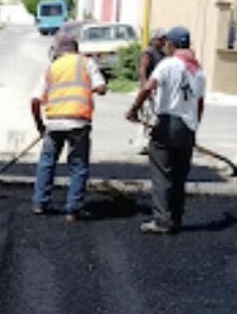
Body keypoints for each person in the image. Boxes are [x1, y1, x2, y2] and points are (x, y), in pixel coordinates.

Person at [126, 26, 206, 234]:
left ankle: (162, 220)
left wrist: (133, 110)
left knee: (162, 172)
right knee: (180, 176)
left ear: (171, 44)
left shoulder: (168, 64)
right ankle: (176, 219)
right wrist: (194, 128)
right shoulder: (198, 70)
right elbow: (199, 104)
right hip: (187, 127)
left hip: (167, 123)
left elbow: (148, 86)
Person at [31, 37, 108, 222]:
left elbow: (35, 100)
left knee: (47, 162)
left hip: (54, 122)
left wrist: (39, 125)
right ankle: (72, 210)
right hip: (79, 122)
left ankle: (40, 203)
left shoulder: (51, 67)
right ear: (76, 49)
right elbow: (102, 87)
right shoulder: (86, 63)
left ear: (59, 50)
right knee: (78, 165)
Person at [133, 28, 168, 153]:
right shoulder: (148, 53)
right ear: (154, 40)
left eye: (164, 39)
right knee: (147, 116)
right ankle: (142, 143)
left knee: (154, 116)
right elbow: (142, 70)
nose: (164, 42)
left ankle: (149, 141)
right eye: (161, 39)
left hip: (158, 90)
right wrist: (145, 87)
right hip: (149, 90)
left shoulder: (163, 55)